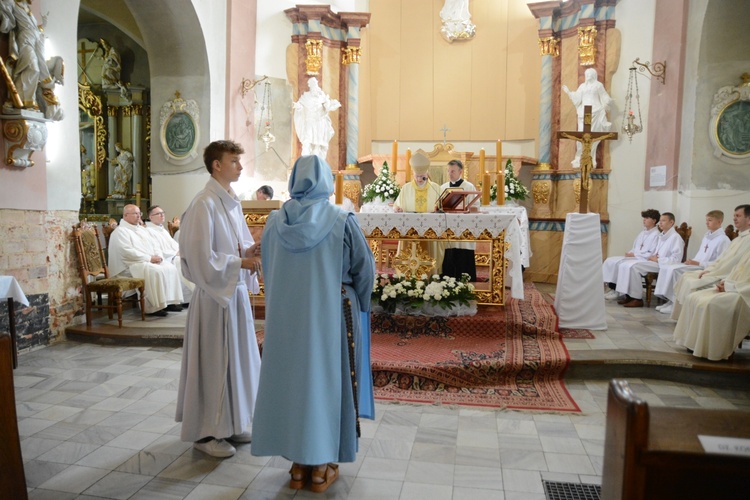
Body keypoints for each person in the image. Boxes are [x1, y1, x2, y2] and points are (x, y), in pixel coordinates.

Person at [251, 155, 375, 493]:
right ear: (326, 182)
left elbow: (270, 268)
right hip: (333, 315)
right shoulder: (341, 220)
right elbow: (365, 269)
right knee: (328, 385)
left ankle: (297, 465)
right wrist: (362, 303)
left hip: (288, 320)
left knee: (295, 386)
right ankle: (321, 466)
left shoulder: (275, 222)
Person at [175, 140, 262, 458]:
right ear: (217, 165)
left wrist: (248, 252)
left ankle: (233, 423)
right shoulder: (204, 204)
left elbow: (233, 246)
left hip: (233, 296)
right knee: (213, 364)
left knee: (236, 361)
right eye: (234, 161)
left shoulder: (230, 202)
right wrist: (240, 262)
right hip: (214, 300)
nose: (240, 166)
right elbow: (198, 258)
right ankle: (206, 433)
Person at [671, 204, 750, 319]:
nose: (734, 218)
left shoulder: (744, 240)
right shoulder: (738, 239)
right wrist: (709, 269)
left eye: (738, 216)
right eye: (734, 216)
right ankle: (682, 316)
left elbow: (731, 264)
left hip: (724, 276)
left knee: (691, 283)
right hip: (716, 271)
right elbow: (721, 260)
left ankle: (689, 318)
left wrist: (711, 271)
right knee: (686, 276)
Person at [107, 205, 184, 316]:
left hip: (145, 261)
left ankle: (168, 302)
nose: (138, 216)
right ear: (125, 215)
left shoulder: (142, 230)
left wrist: (158, 256)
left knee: (169, 267)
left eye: (139, 213)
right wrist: (149, 258)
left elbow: (155, 245)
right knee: (154, 271)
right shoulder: (120, 232)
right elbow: (126, 253)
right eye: (135, 214)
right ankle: (153, 307)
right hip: (128, 266)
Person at [672, 256, 750, 360]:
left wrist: (730, 287)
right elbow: (736, 271)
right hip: (736, 288)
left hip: (745, 295)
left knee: (712, 304)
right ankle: (694, 343)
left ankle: (713, 349)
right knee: (693, 297)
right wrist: (725, 282)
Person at [653, 210, 731, 315]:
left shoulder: (723, 240)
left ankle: (674, 302)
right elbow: (700, 254)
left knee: (675, 270)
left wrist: (698, 263)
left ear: (719, 222)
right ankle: (670, 300)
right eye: (706, 220)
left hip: (706, 268)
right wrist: (692, 261)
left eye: (710, 220)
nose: (707, 223)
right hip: (697, 265)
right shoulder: (707, 237)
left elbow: (721, 262)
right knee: (668, 267)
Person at [618, 212, 684, 308]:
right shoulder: (662, 236)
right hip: (655, 262)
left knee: (634, 267)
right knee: (628, 264)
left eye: (663, 221)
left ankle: (637, 299)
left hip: (663, 264)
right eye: (660, 221)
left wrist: (658, 259)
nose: (660, 223)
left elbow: (676, 259)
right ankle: (629, 295)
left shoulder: (675, 238)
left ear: (671, 222)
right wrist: (652, 257)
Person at [0, 0, 54, 111]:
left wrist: (43, 25)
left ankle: (29, 101)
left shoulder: (28, 9)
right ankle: (16, 99)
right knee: (32, 68)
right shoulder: (14, 4)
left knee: (37, 70)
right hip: (24, 39)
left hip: (35, 40)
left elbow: (33, 28)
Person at [603, 209, 660, 300]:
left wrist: (635, 255)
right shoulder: (643, 233)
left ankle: (620, 291)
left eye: (646, 218)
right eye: (643, 218)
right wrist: (630, 253)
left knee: (622, 264)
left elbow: (652, 253)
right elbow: (635, 247)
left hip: (643, 259)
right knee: (611, 260)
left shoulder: (656, 235)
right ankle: (613, 288)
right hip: (636, 257)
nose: (644, 220)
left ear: (654, 220)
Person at [562, 68, 613, 168]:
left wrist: (608, 101)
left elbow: (604, 96)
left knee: (592, 138)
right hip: (584, 113)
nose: (588, 75)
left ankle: (591, 158)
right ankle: (579, 158)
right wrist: (568, 92)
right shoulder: (582, 86)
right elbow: (577, 98)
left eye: (590, 74)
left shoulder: (598, 85)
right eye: (587, 74)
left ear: (594, 75)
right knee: (581, 137)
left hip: (596, 111)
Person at [145, 205, 193, 305]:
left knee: (191, 260)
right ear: (151, 217)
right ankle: (193, 294)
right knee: (181, 262)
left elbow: (173, 244)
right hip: (166, 258)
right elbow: (157, 249)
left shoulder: (162, 229)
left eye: (163, 213)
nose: (162, 215)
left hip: (173, 255)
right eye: (158, 214)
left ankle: (190, 297)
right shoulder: (148, 231)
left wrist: (181, 251)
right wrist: (176, 253)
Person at [439, 159, 478, 281]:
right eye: (448, 171)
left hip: (464, 227)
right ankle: (447, 280)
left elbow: (476, 206)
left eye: (453, 171)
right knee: (449, 251)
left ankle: (466, 280)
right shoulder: (443, 187)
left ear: (460, 171)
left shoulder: (469, 186)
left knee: (463, 251)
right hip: (448, 227)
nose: (450, 174)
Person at [293, 77, 341, 158]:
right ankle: (305, 161)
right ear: (310, 86)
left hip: (320, 123)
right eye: (313, 84)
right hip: (310, 122)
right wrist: (298, 107)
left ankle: (318, 161)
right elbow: (301, 107)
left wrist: (330, 105)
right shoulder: (305, 97)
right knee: (307, 142)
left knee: (318, 144)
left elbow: (327, 107)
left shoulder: (322, 96)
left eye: (315, 83)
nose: (315, 86)